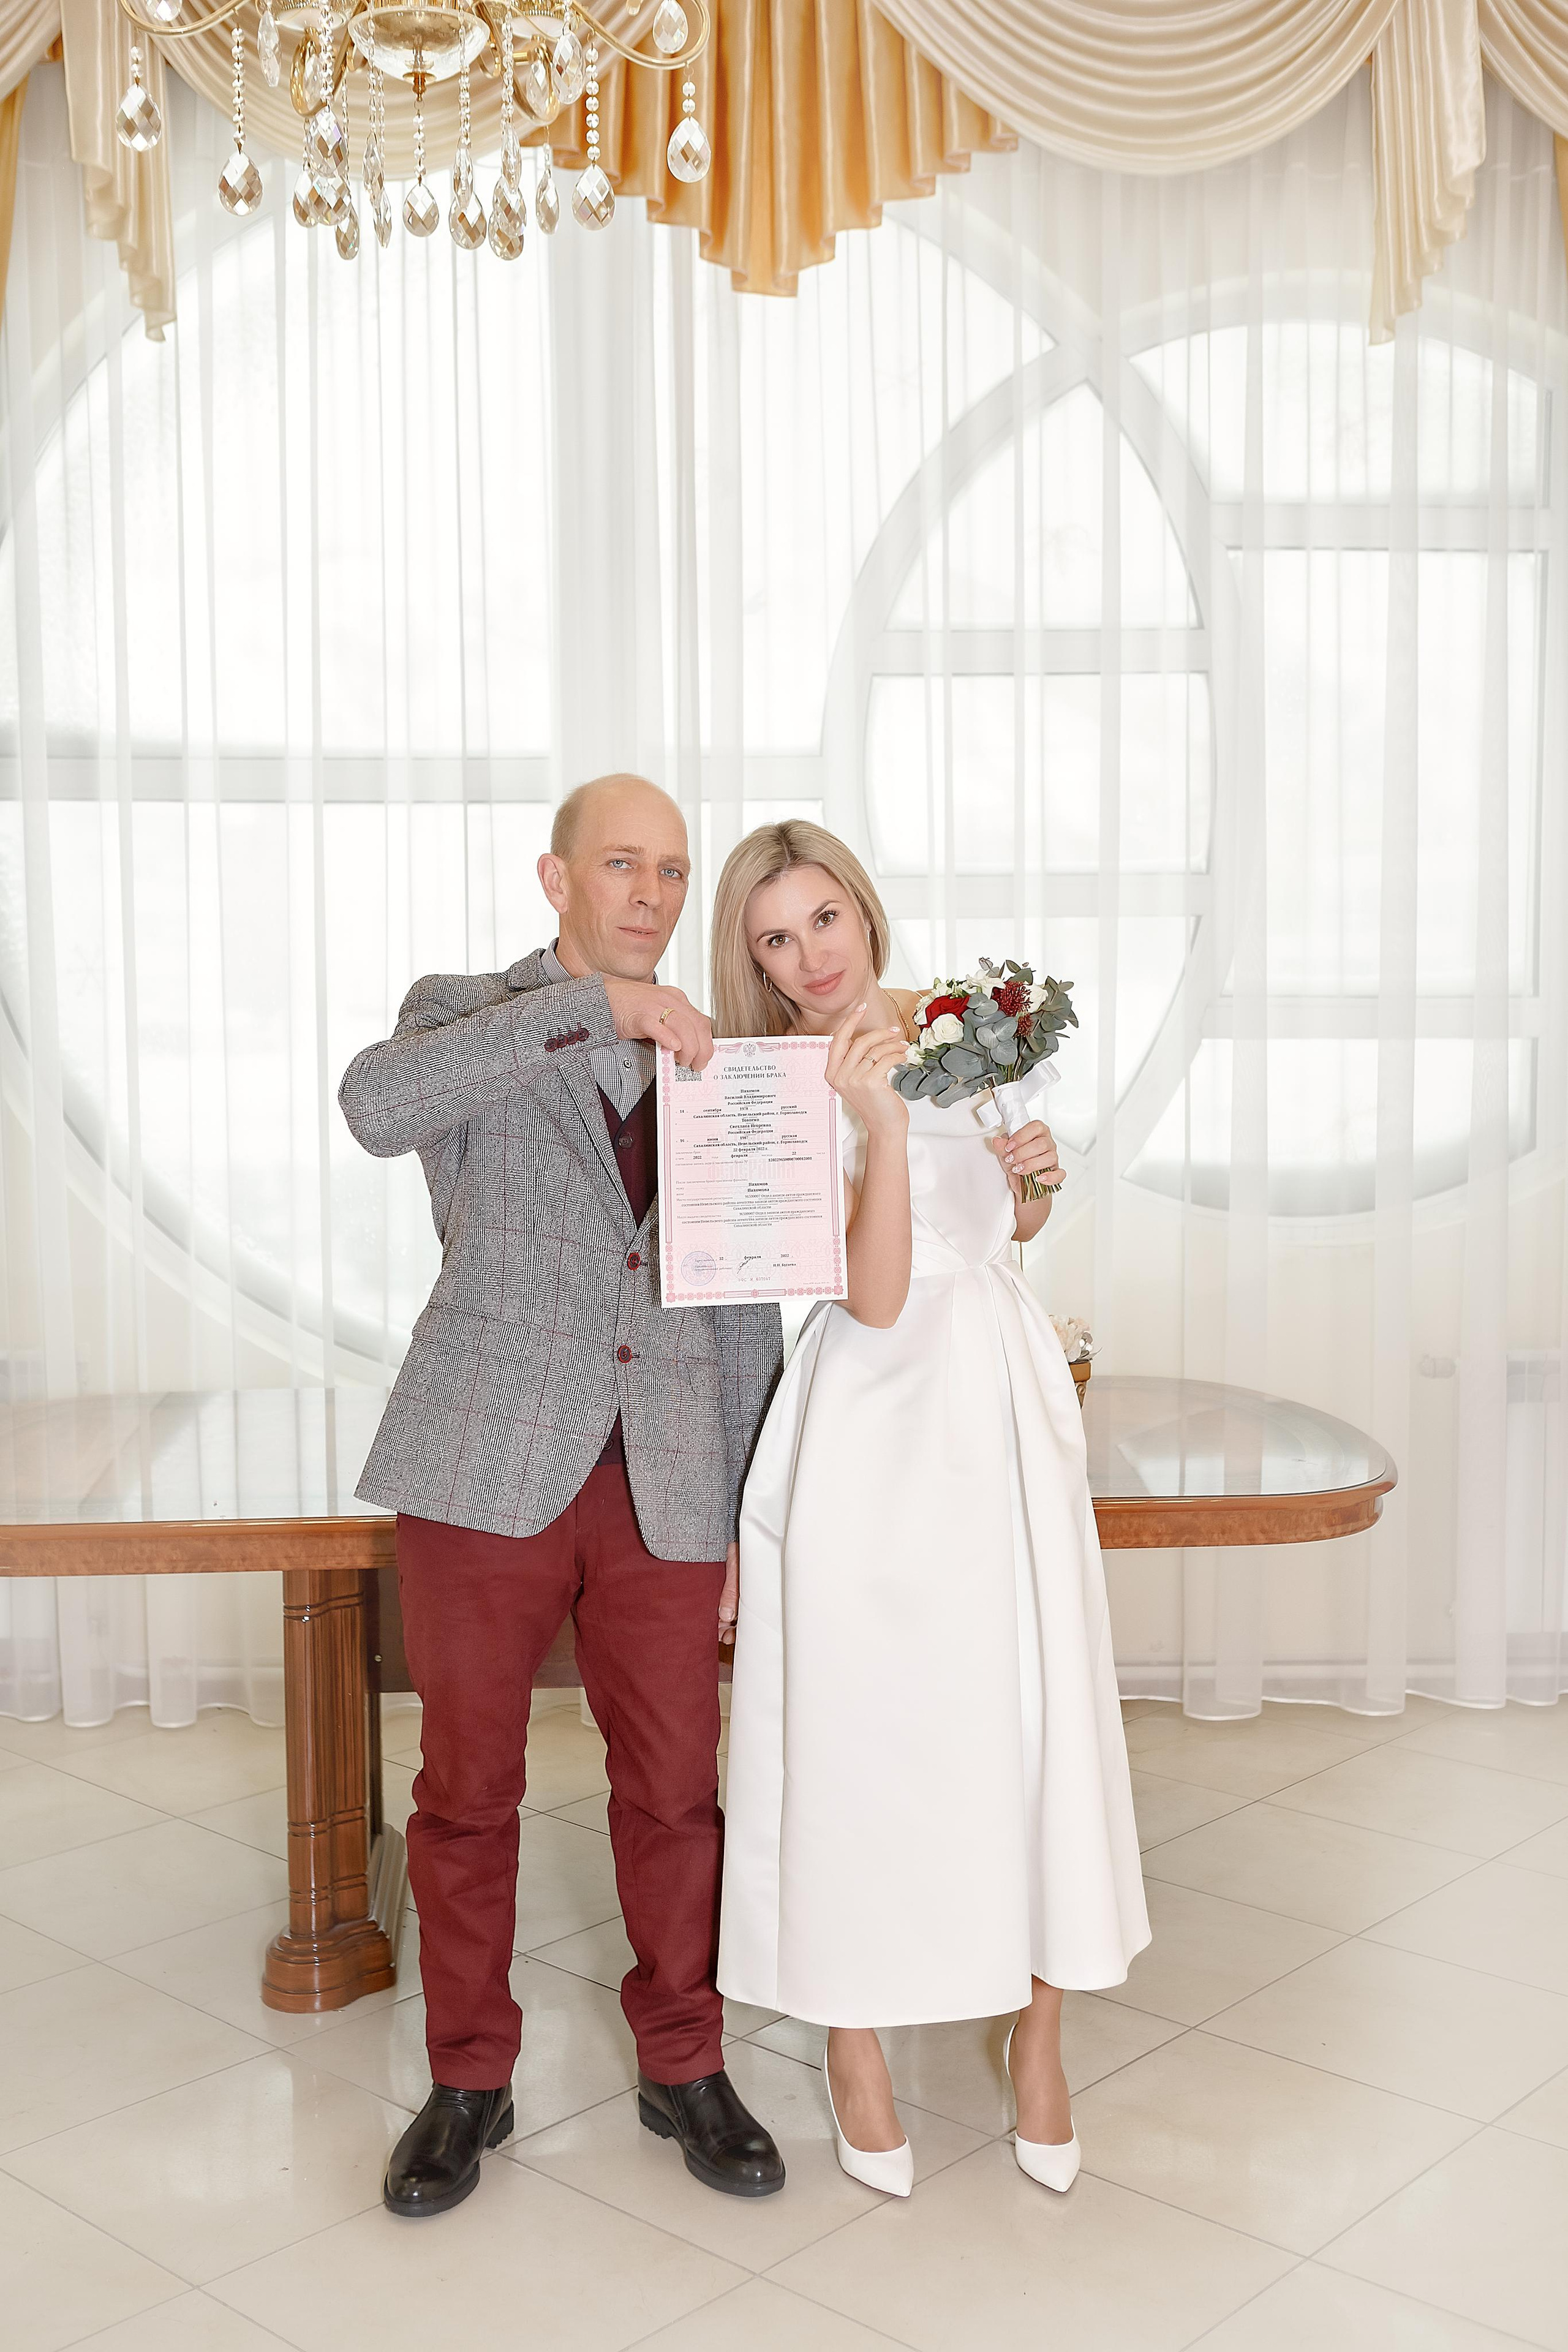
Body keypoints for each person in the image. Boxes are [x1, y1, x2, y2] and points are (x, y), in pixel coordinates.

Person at [338, 774, 785, 2217]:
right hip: (484, 1461)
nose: (649, 892)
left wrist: (745, 1509)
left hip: (666, 1477)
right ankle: (467, 2077)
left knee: (676, 1792)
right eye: (619, 864)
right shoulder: (464, 1009)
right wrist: (604, 1011)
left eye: (669, 868)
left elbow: (740, 1300)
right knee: (468, 1791)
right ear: (557, 877)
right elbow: (373, 1106)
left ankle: (684, 2060)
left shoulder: (733, 1061)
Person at [711, 821, 1149, 2198]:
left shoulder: (966, 1025)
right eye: (774, 940)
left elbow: (991, 1238)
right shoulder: (780, 1083)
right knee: (863, 1729)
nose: (808, 959)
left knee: (1025, 1717)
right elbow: (878, 1294)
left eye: (822, 919)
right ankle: (854, 2046)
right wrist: (881, 1128)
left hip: (1001, 1408)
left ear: (862, 909)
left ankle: (1037, 2042)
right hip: (869, 1426)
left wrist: (1027, 1190)